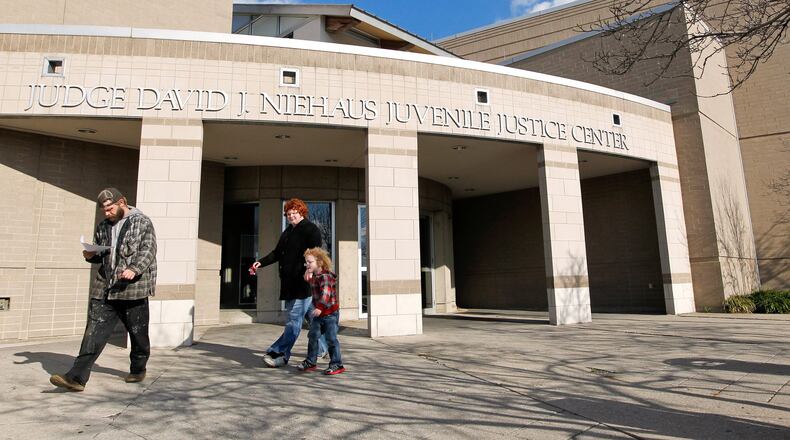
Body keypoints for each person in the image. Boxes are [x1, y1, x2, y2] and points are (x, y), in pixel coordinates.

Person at [50, 188, 157, 392]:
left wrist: (134, 269)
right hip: (105, 288)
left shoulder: (142, 222)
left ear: (122, 202)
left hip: (133, 288)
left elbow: (148, 249)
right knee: (93, 333)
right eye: (104, 210)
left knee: (138, 334)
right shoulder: (103, 226)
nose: (107, 213)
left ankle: (138, 368)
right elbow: (101, 253)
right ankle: (76, 378)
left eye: (110, 208)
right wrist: (91, 255)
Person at [250, 198, 327, 367]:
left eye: (294, 213)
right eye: (288, 213)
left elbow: (316, 254)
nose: (291, 216)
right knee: (313, 320)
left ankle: (280, 352)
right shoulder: (287, 232)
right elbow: (277, 253)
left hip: (302, 284)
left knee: (293, 320)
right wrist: (260, 262)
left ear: (301, 213)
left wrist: (309, 271)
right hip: (289, 284)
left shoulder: (310, 229)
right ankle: (323, 347)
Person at [296, 247, 345, 375]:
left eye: (310, 262)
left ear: (320, 262)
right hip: (320, 314)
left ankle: (337, 364)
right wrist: (308, 277)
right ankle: (311, 361)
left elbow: (325, 294)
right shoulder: (315, 276)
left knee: (331, 339)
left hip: (330, 314)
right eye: (306, 262)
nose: (307, 264)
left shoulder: (326, 277)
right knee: (313, 335)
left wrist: (319, 307)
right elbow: (313, 286)